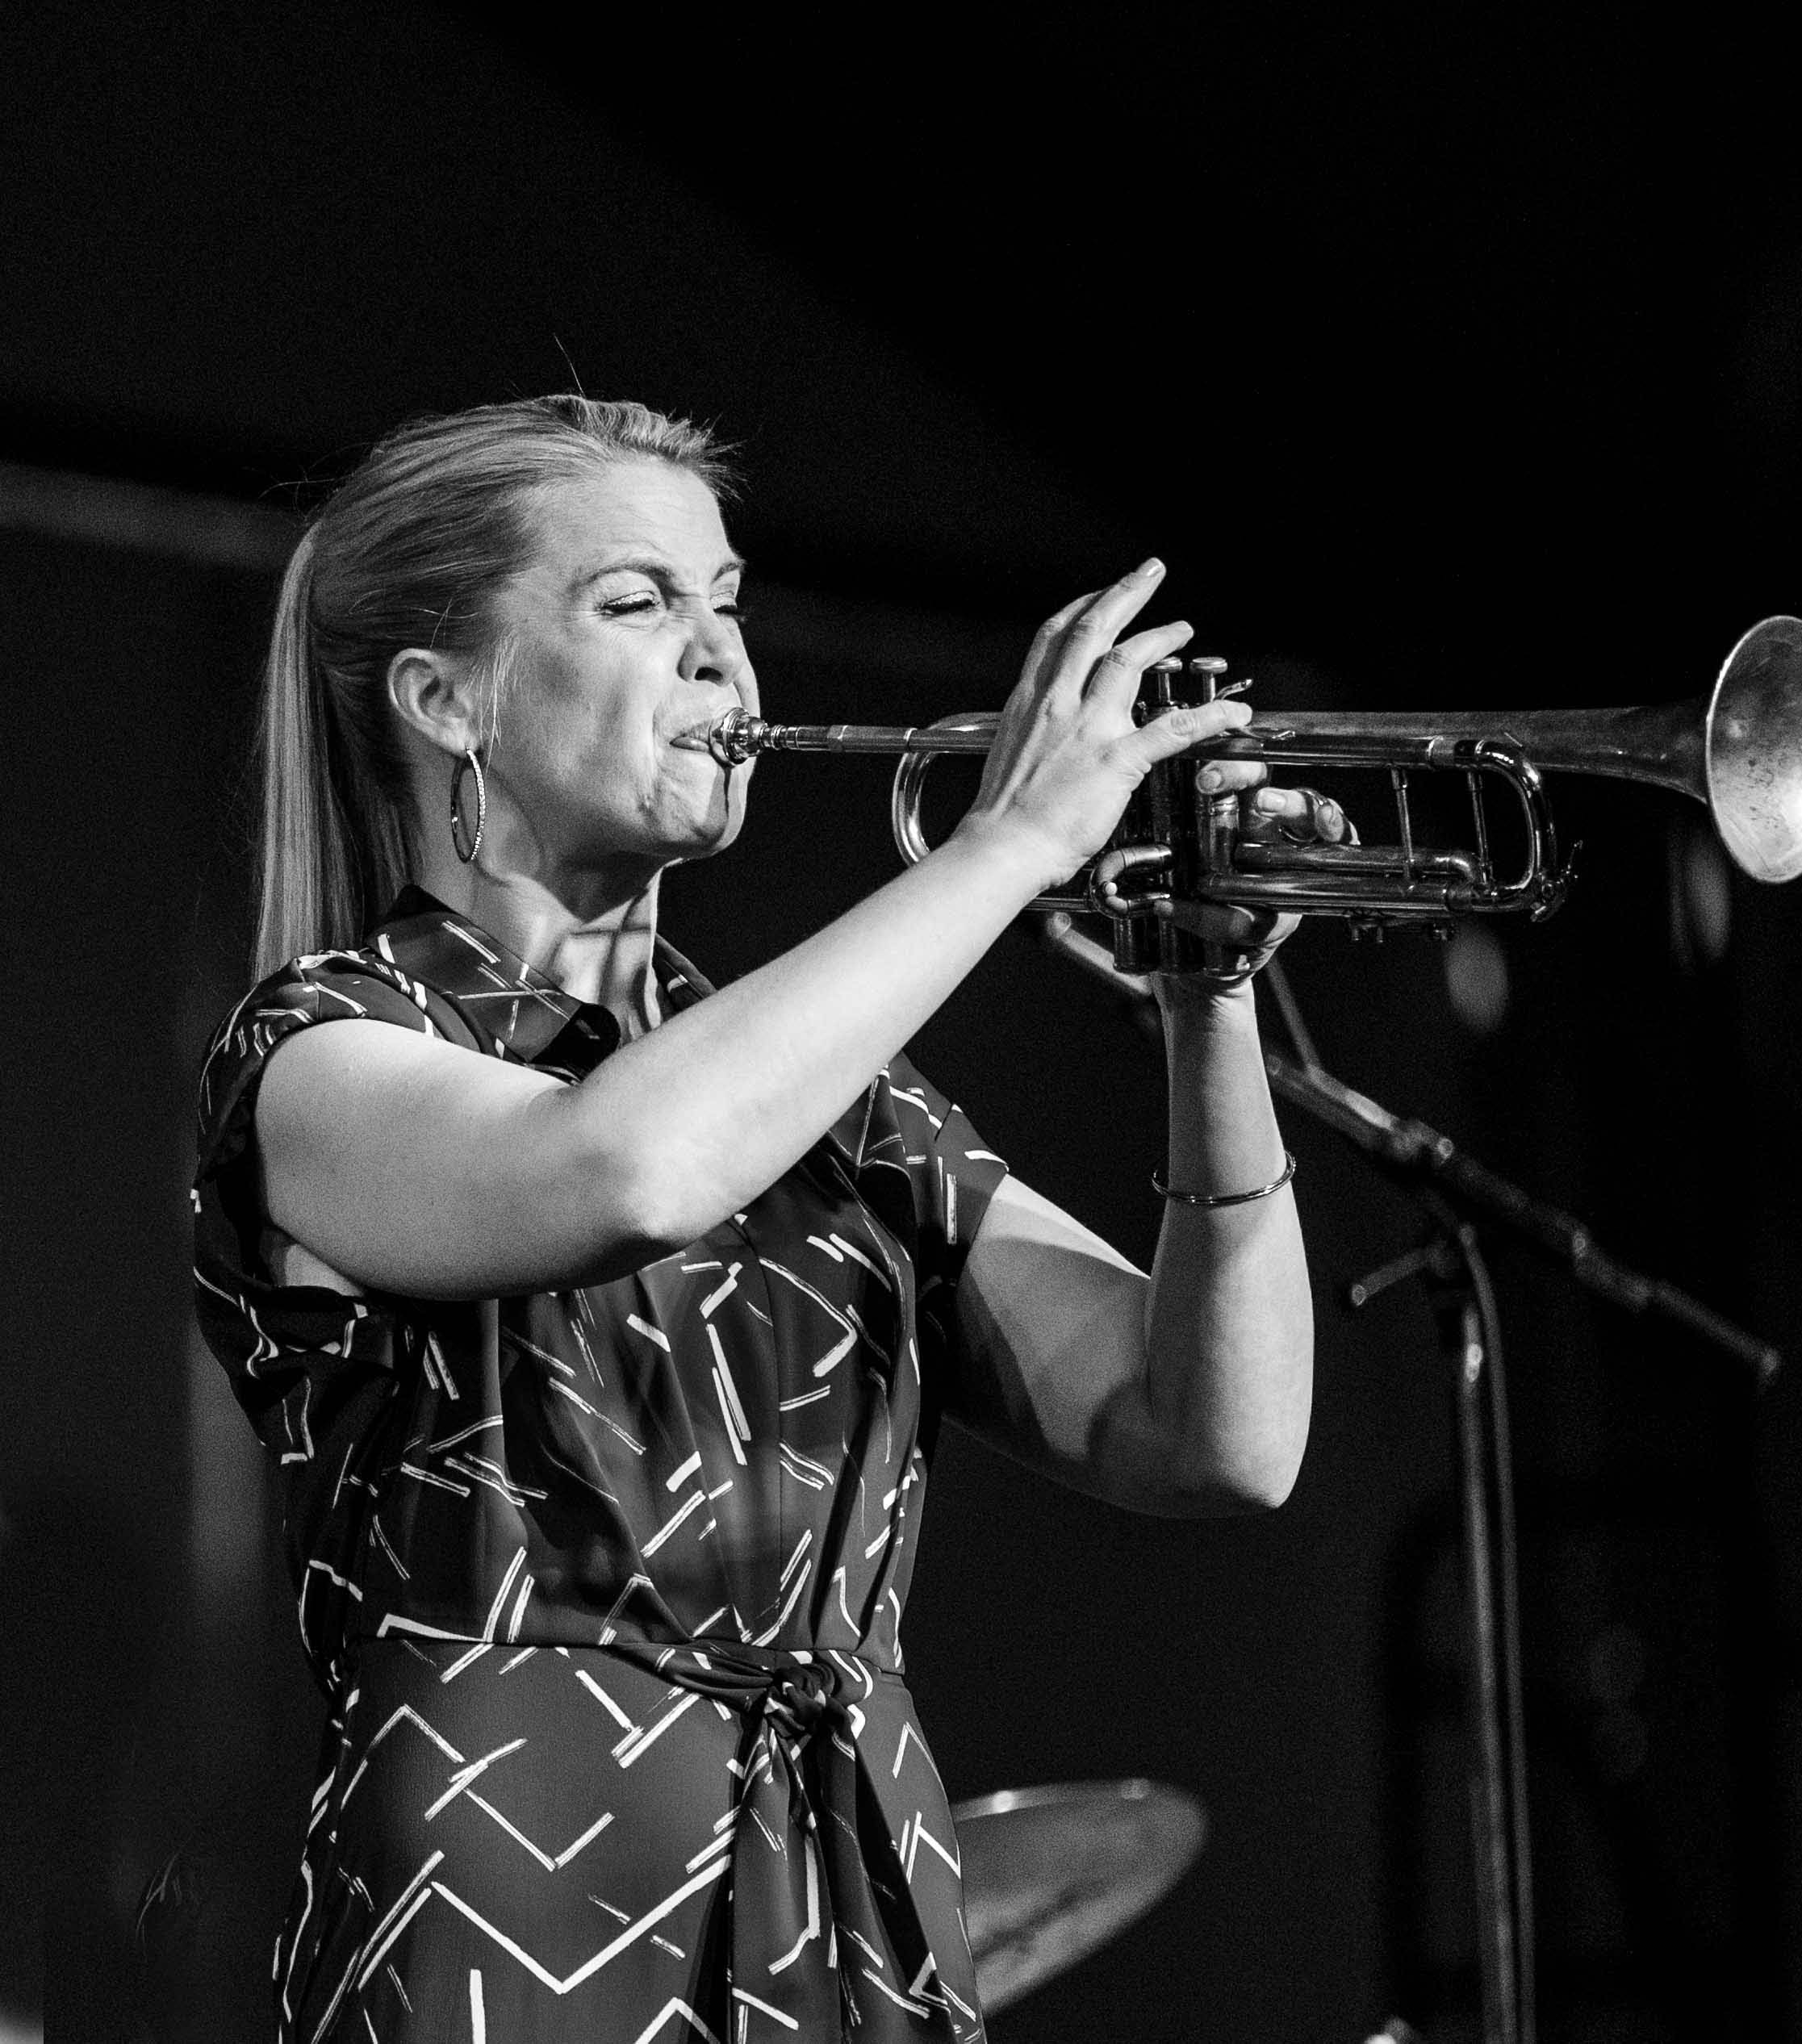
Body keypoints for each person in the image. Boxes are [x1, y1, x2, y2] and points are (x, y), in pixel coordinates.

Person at [191, 395, 1335, 2042]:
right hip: (519, 1927)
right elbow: (625, 1171)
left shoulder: (839, 1098)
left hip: (850, 1917)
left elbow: (1215, 1432)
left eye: (724, 600)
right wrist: (1011, 843)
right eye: (636, 602)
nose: (720, 655)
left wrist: (1204, 999)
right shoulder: (320, 1056)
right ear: (445, 701)